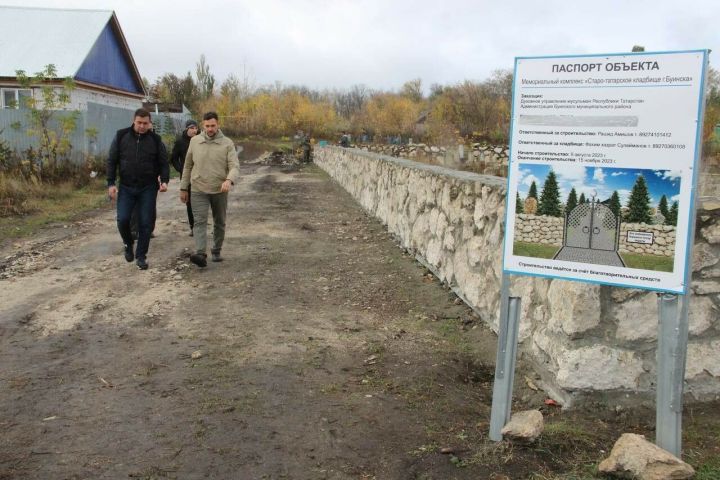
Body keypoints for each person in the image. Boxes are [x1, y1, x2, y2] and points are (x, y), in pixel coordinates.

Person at [107, 108, 169, 270]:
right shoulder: (121, 136)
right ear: (134, 121)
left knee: (145, 223)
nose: (142, 126)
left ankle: (141, 256)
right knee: (123, 219)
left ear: (150, 123)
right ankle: (128, 244)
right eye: (139, 123)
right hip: (127, 187)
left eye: (145, 123)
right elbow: (112, 161)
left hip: (147, 187)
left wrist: (164, 180)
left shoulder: (155, 140)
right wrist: (111, 183)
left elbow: (163, 162)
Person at [180, 111, 240, 267]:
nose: (210, 129)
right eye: (207, 126)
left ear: (218, 125)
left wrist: (229, 180)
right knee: (199, 222)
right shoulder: (195, 141)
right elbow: (187, 166)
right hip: (198, 189)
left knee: (219, 221)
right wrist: (183, 188)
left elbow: (234, 166)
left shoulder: (227, 143)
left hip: (220, 189)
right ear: (203, 125)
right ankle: (200, 254)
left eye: (213, 125)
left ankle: (216, 250)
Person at [170, 119, 199, 236]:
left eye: (196, 128)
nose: (194, 130)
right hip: (187, 178)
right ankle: (193, 227)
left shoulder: (200, 140)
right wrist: (180, 169)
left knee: (200, 202)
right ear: (187, 129)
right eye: (191, 128)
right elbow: (173, 158)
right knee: (190, 203)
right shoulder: (180, 142)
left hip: (200, 176)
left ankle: (200, 226)